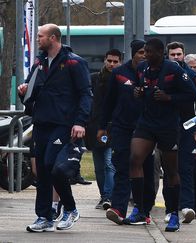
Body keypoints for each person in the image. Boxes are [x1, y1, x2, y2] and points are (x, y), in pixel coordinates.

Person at [18, 23, 92, 232]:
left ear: (52, 38)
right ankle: (45, 217)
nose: (37, 39)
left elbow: (86, 94)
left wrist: (80, 122)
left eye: (40, 36)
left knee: (54, 166)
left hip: (63, 124)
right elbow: (30, 91)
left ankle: (70, 208)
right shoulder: (39, 63)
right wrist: (23, 91)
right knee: (41, 171)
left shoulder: (74, 63)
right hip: (41, 123)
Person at [127, 38, 196, 232]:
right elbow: (142, 88)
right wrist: (139, 93)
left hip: (168, 125)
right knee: (135, 159)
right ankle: (140, 210)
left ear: (160, 53)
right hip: (147, 122)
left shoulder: (173, 69)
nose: (146, 55)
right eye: (144, 51)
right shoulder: (142, 68)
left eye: (149, 52)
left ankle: (173, 213)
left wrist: (170, 98)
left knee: (170, 170)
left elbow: (193, 94)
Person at [97, 40, 155, 226]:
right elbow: (109, 101)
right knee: (122, 166)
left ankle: (144, 209)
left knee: (144, 168)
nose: (144, 55)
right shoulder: (119, 73)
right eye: (140, 52)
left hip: (146, 129)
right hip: (122, 127)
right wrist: (102, 126)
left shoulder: (154, 73)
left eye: (147, 52)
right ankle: (118, 208)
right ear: (133, 54)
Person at [164, 42, 196, 224]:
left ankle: (187, 206)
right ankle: (170, 209)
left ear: (184, 55)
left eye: (178, 54)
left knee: (186, 169)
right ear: (167, 56)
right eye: (172, 54)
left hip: (187, 128)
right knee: (169, 170)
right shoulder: (162, 75)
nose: (175, 57)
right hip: (166, 129)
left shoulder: (193, 76)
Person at [87, 48, 122, 210]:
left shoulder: (121, 80)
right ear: (105, 61)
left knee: (109, 163)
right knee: (98, 166)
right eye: (109, 61)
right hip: (95, 128)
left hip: (113, 128)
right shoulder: (94, 79)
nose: (112, 64)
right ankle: (104, 196)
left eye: (115, 61)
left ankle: (108, 196)